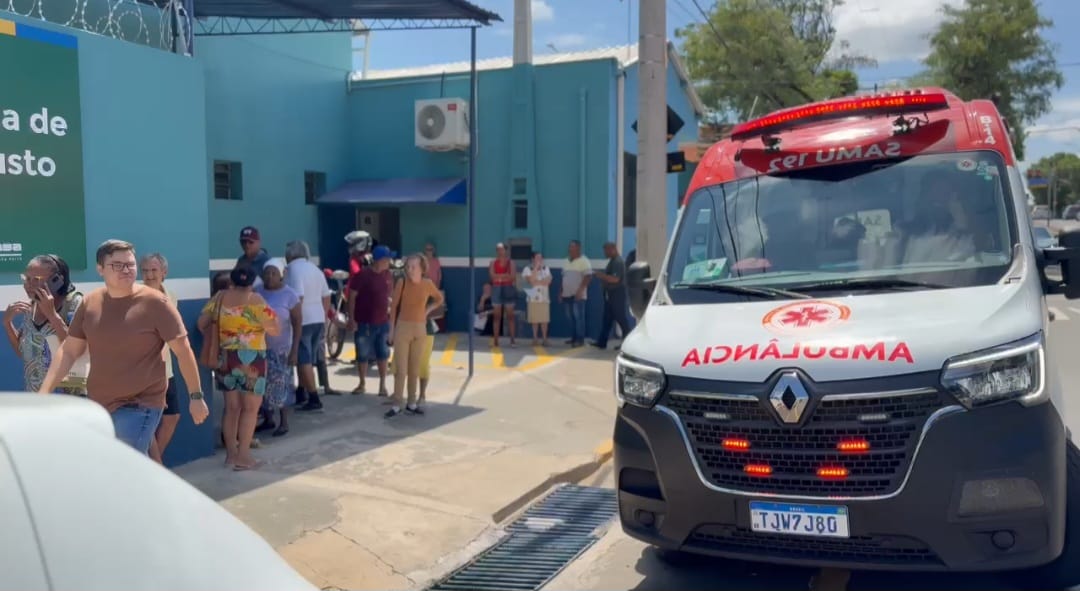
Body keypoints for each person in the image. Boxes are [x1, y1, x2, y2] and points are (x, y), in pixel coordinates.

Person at [37, 240, 209, 455]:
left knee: (123, 463)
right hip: (100, 403)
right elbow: (70, 350)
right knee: (116, 467)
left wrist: (196, 397)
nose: (126, 269)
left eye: (130, 264)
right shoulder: (91, 303)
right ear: (100, 269)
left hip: (140, 404)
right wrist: (43, 394)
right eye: (117, 265)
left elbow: (183, 351)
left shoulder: (156, 303)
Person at [198, 265, 279, 470]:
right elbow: (275, 329)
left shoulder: (219, 298)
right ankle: (244, 456)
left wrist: (227, 333)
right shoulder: (256, 300)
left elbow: (201, 323)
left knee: (232, 408)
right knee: (250, 409)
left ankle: (231, 455)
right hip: (251, 359)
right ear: (252, 283)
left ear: (232, 281)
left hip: (225, 358)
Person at [4, 254, 86, 396]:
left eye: (35, 280)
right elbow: (26, 354)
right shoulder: (33, 307)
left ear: (57, 281)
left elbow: (76, 350)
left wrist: (52, 315)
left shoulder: (75, 304)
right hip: (37, 401)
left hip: (69, 402)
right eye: (26, 279)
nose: (28, 285)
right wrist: (7, 323)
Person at [386, 254, 444, 418]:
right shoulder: (402, 283)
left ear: (422, 268)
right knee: (401, 369)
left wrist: (427, 311)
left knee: (414, 368)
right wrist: (391, 330)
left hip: (420, 329)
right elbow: (394, 307)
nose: (410, 269)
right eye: (408, 266)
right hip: (403, 327)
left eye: (413, 266)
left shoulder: (427, 284)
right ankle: (397, 404)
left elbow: (439, 299)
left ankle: (411, 403)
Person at [140, 253, 182, 464]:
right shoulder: (133, 296)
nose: (149, 275)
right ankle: (157, 466)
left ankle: (153, 464)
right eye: (145, 270)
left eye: (153, 270)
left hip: (166, 370)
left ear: (164, 272)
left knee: (172, 417)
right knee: (147, 420)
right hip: (143, 372)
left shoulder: (171, 297)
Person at [256, 258, 301, 437]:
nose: (270, 276)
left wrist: (295, 350)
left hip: (282, 350)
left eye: (274, 273)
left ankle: (284, 421)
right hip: (259, 349)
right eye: (267, 273)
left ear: (282, 275)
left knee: (282, 385)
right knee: (262, 385)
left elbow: (297, 324)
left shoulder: (290, 295)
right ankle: (268, 419)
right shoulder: (257, 293)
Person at [285, 240, 331, 412]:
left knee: (303, 360)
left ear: (290, 254)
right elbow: (326, 296)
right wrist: (323, 315)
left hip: (303, 321)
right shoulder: (315, 269)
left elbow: (298, 297)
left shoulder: (293, 270)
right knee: (309, 360)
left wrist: (293, 320)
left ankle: (313, 397)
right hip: (317, 318)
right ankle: (302, 392)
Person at [347, 245, 394, 396]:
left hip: (383, 322)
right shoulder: (363, 275)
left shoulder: (387, 275)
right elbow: (352, 297)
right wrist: (352, 319)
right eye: (387, 259)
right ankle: (362, 383)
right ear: (380, 260)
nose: (389, 262)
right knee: (362, 354)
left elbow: (389, 295)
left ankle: (382, 385)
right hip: (365, 322)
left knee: (383, 354)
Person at [592, 242, 631, 350]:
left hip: (617, 293)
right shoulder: (612, 261)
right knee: (607, 318)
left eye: (606, 250)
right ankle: (602, 342)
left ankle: (627, 343)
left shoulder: (618, 262)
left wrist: (601, 275)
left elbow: (615, 279)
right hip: (610, 294)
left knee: (621, 318)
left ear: (613, 249)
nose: (605, 253)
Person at [560, 240, 593, 347]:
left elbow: (588, 277)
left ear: (578, 248)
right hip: (566, 294)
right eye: (570, 247)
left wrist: (580, 290)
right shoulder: (565, 261)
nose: (570, 249)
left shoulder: (584, 261)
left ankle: (580, 339)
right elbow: (563, 278)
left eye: (573, 247)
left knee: (579, 317)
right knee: (570, 317)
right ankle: (574, 337)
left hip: (578, 295)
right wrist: (560, 292)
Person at [488, 243, 517, 348]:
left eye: (501, 249)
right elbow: (492, 277)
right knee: (496, 317)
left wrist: (499, 277)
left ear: (506, 250)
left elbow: (512, 277)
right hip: (496, 289)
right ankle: (496, 341)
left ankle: (512, 340)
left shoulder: (511, 263)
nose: (499, 252)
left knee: (510, 316)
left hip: (508, 289)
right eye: (498, 250)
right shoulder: (492, 263)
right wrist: (505, 275)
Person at [521, 251, 552, 347]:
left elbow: (548, 281)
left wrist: (536, 282)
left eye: (541, 258)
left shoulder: (546, 268)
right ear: (533, 259)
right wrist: (535, 269)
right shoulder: (527, 269)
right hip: (533, 297)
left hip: (544, 297)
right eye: (538, 258)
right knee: (534, 320)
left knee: (544, 320)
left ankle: (545, 339)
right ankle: (535, 338)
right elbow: (530, 281)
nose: (540, 260)